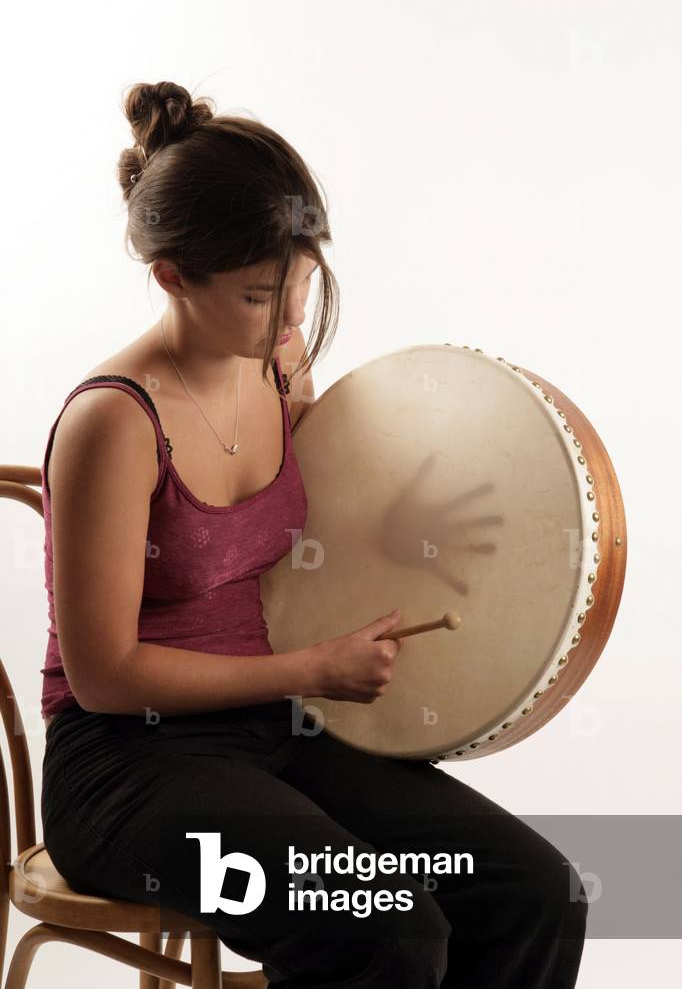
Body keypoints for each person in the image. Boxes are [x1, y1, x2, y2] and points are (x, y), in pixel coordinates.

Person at [40, 80, 588, 988]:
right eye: (261, 297)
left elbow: (329, 511)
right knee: (384, 927)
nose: (291, 322)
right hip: (128, 771)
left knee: (536, 891)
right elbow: (105, 677)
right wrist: (309, 671)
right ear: (171, 277)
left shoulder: (276, 363)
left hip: (273, 731)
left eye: (299, 288)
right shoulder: (115, 422)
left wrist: (419, 525)